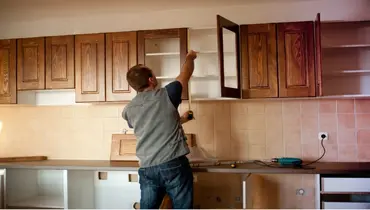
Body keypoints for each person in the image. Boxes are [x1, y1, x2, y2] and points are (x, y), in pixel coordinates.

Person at [122, 50, 198, 209]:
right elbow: (186, 73)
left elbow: (151, 125)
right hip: (173, 165)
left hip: (147, 168)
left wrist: (182, 119)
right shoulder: (167, 94)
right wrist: (190, 57)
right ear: (151, 79)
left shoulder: (128, 110)